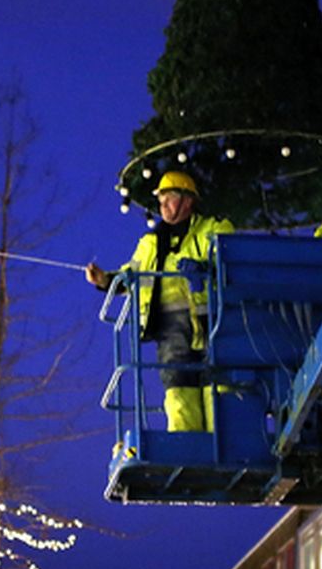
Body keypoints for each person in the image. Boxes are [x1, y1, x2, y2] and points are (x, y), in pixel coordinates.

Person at [85, 171, 234, 432]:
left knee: (219, 392)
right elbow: (130, 276)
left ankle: (223, 443)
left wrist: (205, 268)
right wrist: (104, 280)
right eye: (161, 199)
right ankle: (188, 453)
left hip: (214, 325)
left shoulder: (213, 229)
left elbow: (233, 261)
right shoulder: (150, 244)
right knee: (179, 395)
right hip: (171, 332)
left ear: (188, 201)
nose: (163, 204)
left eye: (170, 198)